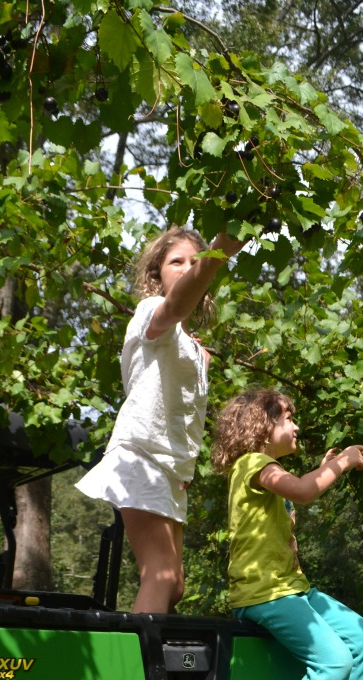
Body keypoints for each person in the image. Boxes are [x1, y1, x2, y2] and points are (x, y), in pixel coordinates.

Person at [211, 388, 363, 680]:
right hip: (263, 594)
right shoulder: (252, 464)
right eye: (288, 418)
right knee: (334, 659)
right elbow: (304, 491)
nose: (296, 425)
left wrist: (321, 469)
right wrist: (340, 464)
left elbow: (299, 491)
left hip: (292, 589)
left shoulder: (266, 472)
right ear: (261, 424)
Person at [76, 226, 244, 613]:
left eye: (194, 261)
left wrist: (200, 361)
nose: (187, 269)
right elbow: (175, 308)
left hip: (172, 471)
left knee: (176, 585)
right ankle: (136, 673)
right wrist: (216, 254)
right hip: (141, 457)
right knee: (162, 575)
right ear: (157, 276)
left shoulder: (189, 344)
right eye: (176, 262)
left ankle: (145, 662)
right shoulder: (151, 312)